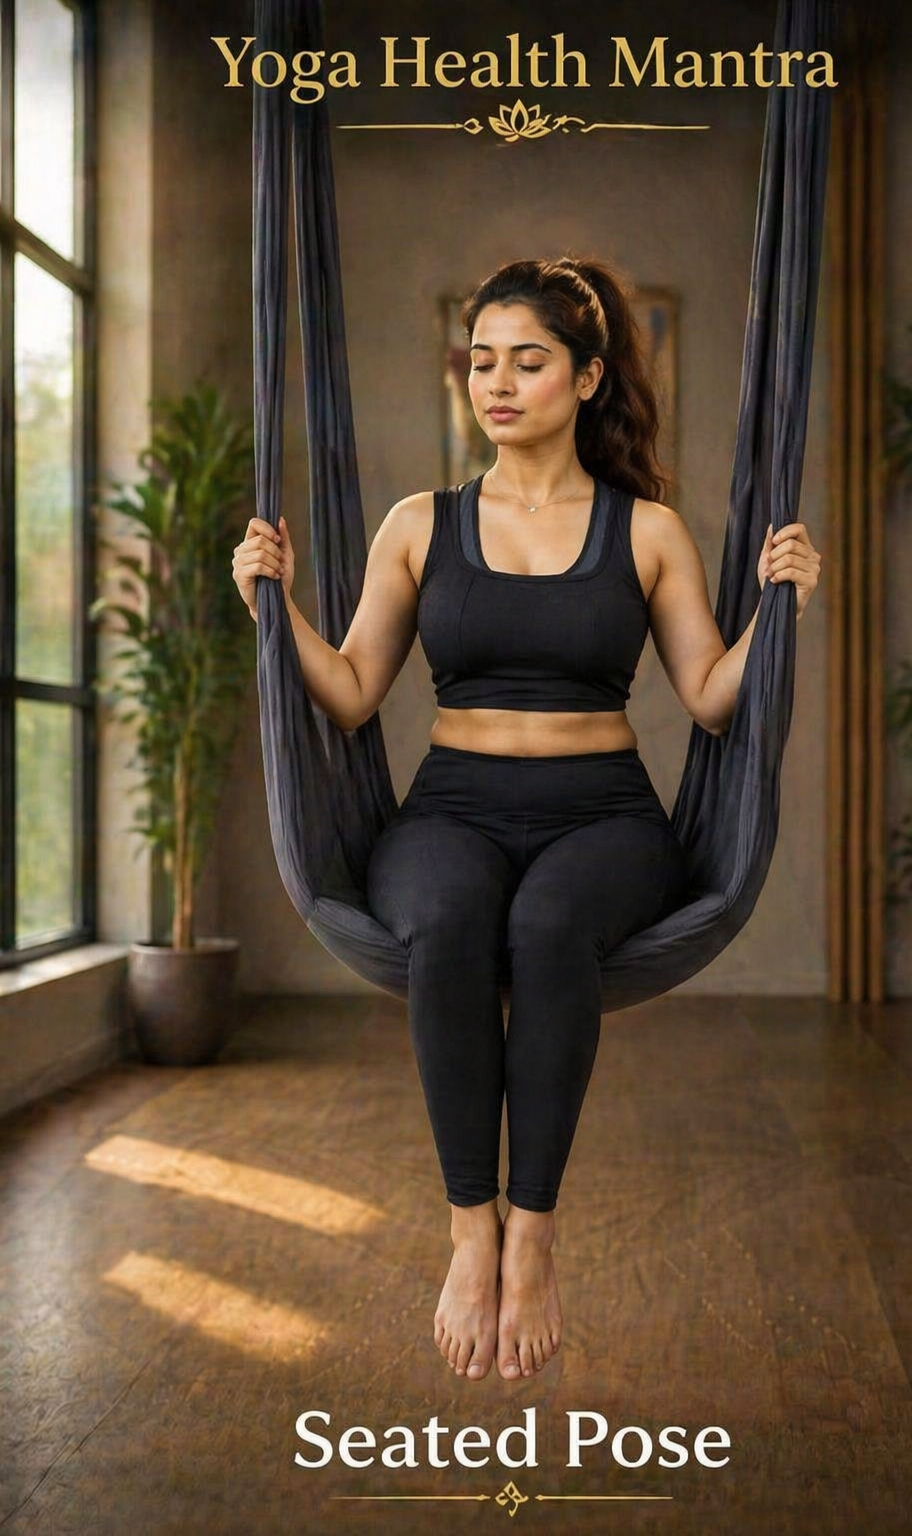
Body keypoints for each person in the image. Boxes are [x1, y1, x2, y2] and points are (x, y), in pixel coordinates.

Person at [232, 254, 822, 1387]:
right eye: (481, 361)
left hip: (603, 817)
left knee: (549, 928)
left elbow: (708, 695)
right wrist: (274, 607)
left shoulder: (644, 531)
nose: (496, 383)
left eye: (528, 361)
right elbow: (353, 689)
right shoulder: (419, 523)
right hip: (450, 806)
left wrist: (780, 606)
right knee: (447, 921)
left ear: (587, 377)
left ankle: (535, 1231)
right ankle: (469, 1227)